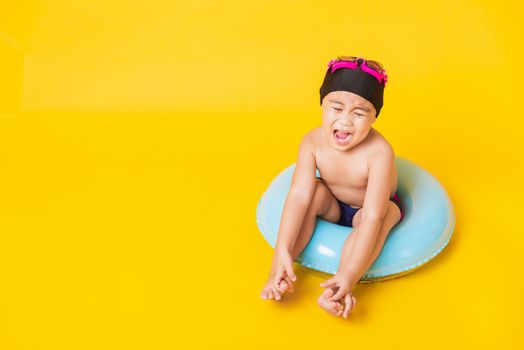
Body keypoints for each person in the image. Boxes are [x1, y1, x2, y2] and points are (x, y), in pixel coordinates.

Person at [260, 56, 404, 319]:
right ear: (322, 106)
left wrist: (349, 276)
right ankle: (280, 271)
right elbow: (299, 195)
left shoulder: (379, 152)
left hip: (367, 209)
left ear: (374, 117)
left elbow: (371, 216)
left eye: (359, 113)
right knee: (313, 189)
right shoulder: (312, 142)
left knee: (386, 212)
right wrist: (280, 252)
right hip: (333, 205)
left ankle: (340, 286)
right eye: (336, 108)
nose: (346, 121)